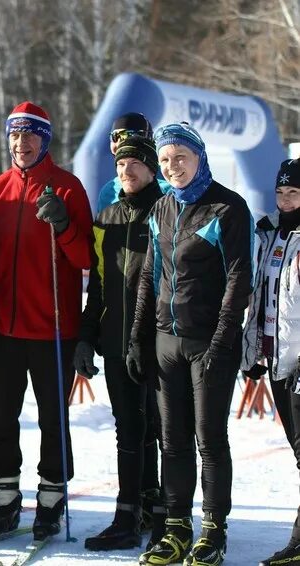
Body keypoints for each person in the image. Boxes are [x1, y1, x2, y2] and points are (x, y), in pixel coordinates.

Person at [130, 123, 253, 566]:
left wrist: (223, 339)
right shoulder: (162, 207)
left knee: (209, 439)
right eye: (165, 159)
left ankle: (213, 531)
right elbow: (150, 274)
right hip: (167, 340)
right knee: (172, 440)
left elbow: (240, 278)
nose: (172, 166)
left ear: (199, 156)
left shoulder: (228, 207)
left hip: (209, 341)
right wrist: (138, 337)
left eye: (180, 156)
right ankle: (177, 527)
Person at [0, 101, 92, 540]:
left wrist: (63, 227)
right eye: (15, 136)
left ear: (46, 140)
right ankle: (4, 502)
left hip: (53, 329)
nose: (21, 144)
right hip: (4, 328)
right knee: (1, 417)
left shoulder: (67, 188)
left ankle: (50, 500)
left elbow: (84, 259)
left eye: (30, 136)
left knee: (52, 420)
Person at [76, 136, 165, 551]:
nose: (125, 172)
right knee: (128, 429)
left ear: (152, 169)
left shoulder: (169, 211)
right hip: (115, 341)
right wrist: (85, 335)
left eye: (134, 165)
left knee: (164, 430)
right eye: (119, 166)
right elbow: (98, 284)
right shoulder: (106, 218)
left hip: (159, 341)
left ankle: (165, 514)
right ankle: (126, 515)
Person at [240, 159, 300, 566]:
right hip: (276, 357)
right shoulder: (267, 232)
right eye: (281, 192)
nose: (285, 200)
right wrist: (253, 353)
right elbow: (261, 298)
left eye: (294, 192)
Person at [94, 112, 171, 214]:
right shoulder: (109, 191)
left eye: (125, 135)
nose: (118, 143)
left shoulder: (169, 181)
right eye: (114, 137)